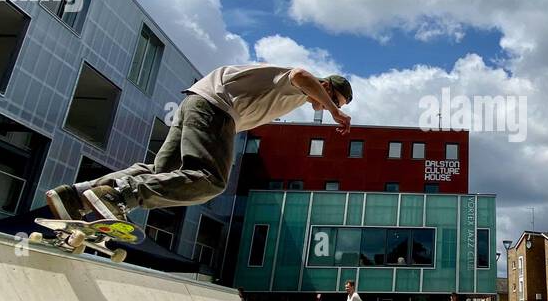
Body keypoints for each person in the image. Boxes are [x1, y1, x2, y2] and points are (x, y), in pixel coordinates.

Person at [45, 63, 353, 222]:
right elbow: (301, 75)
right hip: (216, 111)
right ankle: (121, 195)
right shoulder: (302, 84)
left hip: (196, 105)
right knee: (210, 180)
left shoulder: (294, 97)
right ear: (326, 86)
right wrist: (335, 109)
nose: (327, 106)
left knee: (161, 171)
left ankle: (77, 196)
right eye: (332, 100)